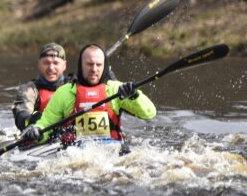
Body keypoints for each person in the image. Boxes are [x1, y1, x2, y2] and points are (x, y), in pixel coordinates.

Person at [20, 44, 156, 151]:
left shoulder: (117, 89)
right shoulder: (64, 93)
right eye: (89, 64)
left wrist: (135, 96)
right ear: (81, 65)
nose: (94, 69)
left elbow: (149, 113)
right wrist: (37, 131)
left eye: (99, 65)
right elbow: (46, 124)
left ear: (104, 67)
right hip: (74, 153)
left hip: (113, 151)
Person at [11, 42, 69, 131]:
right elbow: (22, 111)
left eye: (56, 63)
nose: (51, 68)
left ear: (64, 65)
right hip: (37, 134)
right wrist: (30, 120)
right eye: (46, 63)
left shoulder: (74, 86)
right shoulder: (29, 90)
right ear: (39, 64)